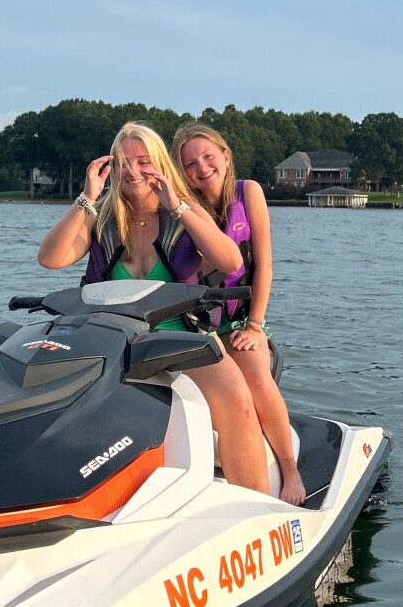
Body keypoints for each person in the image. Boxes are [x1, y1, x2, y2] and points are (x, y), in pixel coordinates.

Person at [37, 121, 273, 494]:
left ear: (160, 165)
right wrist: (86, 197)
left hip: (183, 339)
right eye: (122, 163)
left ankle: (255, 505)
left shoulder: (183, 208)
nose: (132, 172)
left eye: (143, 161)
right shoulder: (102, 216)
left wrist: (177, 207)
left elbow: (230, 261)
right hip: (116, 342)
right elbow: (51, 259)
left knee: (237, 400)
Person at [172, 123, 306, 506]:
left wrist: (256, 326)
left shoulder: (250, 193)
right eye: (191, 163)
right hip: (202, 327)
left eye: (208, 156)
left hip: (244, 322)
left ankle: (290, 470)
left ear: (226, 156)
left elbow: (263, 265)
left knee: (256, 377)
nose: (202, 167)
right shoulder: (185, 209)